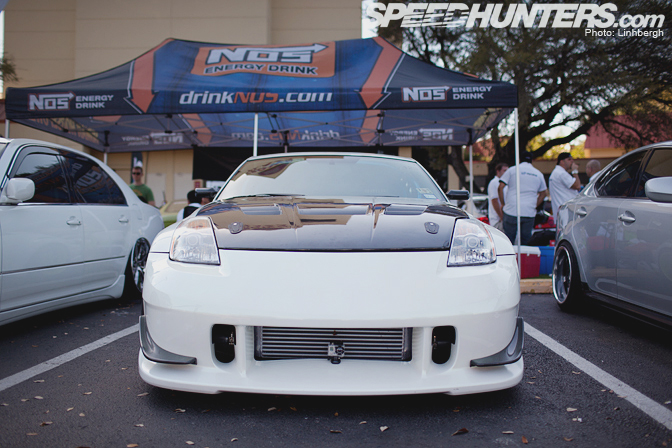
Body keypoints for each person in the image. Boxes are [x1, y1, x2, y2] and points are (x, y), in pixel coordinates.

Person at [498, 153, 547, 245]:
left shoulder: (512, 170)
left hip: (511, 209)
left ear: (519, 159)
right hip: (529, 211)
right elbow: (543, 193)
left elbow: (501, 187)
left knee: (508, 241)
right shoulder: (538, 174)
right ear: (531, 160)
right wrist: (534, 205)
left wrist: (503, 203)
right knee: (526, 241)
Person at [549, 152, 581, 219]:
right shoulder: (561, 173)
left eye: (572, 159)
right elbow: (577, 186)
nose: (572, 162)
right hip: (566, 212)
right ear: (561, 161)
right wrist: (575, 171)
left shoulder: (557, 172)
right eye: (569, 159)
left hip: (562, 211)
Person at [487, 163, 508, 231]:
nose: (506, 173)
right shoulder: (494, 183)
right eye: (504, 170)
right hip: (498, 220)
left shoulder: (505, 183)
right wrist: (501, 217)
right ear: (498, 171)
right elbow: (494, 201)